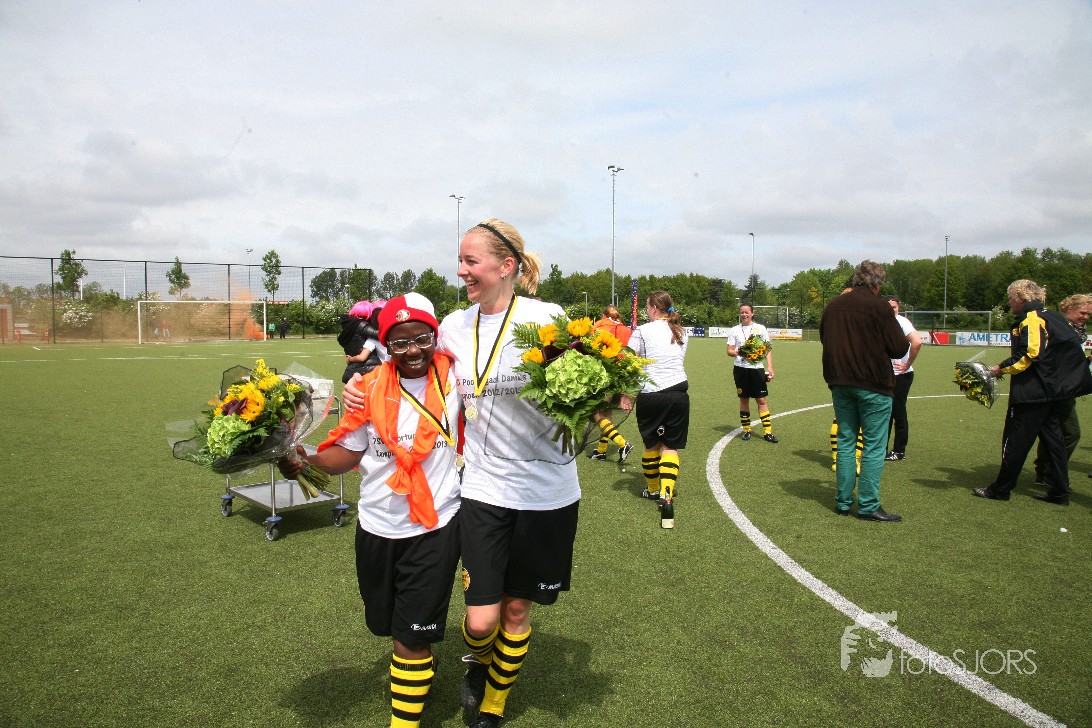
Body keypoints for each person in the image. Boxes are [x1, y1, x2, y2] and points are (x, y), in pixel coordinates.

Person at [344, 218, 580, 728]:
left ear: (506, 265)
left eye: (471, 261)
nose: (461, 271)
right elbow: (405, 363)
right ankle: (478, 657)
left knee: (515, 613)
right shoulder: (453, 325)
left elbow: (586, 383)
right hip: (483, 487)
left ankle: (493, 699)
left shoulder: (547, 319)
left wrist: (606, 402)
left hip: (548, 490)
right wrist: (358, 385)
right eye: (461, 261)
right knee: (480, 621)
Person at [279, 293, 461, 728]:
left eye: (422, 338)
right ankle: (420, 666)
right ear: (385, 344)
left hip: (435, 525)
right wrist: (305, 459)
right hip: (376, 525)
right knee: (387, 626)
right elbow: (348, 453)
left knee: (408, 639)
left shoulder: (455, 378)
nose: (413, 350)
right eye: (400, 342)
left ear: (435, 336)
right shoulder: (366, 387)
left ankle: (406, 712)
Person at [973, 281, 1092, 505]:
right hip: (1052, 391)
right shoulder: (1053, 316)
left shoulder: (1032, 318)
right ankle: (1060, 492)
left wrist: (999, 369)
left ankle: (1001, 489)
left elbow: (1030, 355)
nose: (1009, 302)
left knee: (1015, 441)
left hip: (1033, 392)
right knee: (1055, 442)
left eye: (1011, 298)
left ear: (1021, 297)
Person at [820, 261, 909, 521]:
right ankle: (868, 505)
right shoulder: (879, 307)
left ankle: (843, 502)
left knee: (846, 442)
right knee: (873, 445)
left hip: (840, 382)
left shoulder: (833, 305)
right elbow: (899, 348)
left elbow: (826, 338)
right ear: (877, 284)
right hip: (873, 384)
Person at [628, 290, 689, 529]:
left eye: (647, 306)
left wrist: (625, 394)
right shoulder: (681, 331)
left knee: (651, 445)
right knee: (670, 447)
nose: (646, 310)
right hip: (678, 394)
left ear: (654, 307)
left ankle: (653, 489)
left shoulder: (642, 330)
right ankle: (667, 495)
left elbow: (630, 363)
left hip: (651, 394)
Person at [1032, 293, 1092, 489]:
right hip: (1058, 388)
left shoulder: (1075, 329)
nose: (1086, 317)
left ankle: (1044, 472)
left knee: (1052, 430)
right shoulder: (1061, 327)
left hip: (1064, 387)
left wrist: (1086, 362)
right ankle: (1052, 473)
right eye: (1083, 313)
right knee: (1071, 433)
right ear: (1069, 309)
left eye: (1088, 314)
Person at [725, 303, 778, 443]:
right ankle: (747, 430)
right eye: (742, 312)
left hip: (757, 369)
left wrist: (770, 367)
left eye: (746, 312)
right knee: (744, 399)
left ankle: (768, 432)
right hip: (740, 368)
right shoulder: (734, 330)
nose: (744, 314)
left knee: (761, 400)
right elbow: (729, 351)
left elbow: (767, 349)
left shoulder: (760, 328)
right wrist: (739, 352)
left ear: (752, 313)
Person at [588, 305, 634, 463]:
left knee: (596, 412)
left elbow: (591, 350)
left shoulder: (599, 326)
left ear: (603, 315)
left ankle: (622, 444)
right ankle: (601, 450)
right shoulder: (626, 330)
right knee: (607, 413)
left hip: (603, 374)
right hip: (621, 376)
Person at [883, 295, 922, 461]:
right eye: (889, 307)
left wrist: (907, 364)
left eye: (894, 307)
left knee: (897, 412)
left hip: (901, 375)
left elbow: (917, 342)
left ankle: (899, 451)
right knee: (885, 413)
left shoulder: (902, 322)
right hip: (885, 375)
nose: (892, 309)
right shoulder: (882, 321)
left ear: (898, 308)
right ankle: (881, 450)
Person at [338, 300, 386, 384]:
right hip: (370, 366)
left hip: (353, 367)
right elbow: (380, 334)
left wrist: (351, 359)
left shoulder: (349, 326)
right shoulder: (361, 325)